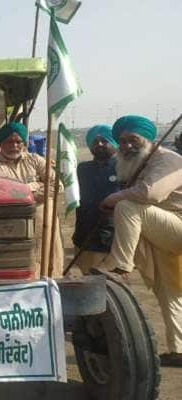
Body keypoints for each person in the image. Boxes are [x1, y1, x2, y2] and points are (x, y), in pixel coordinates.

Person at [98, 115, 182, 367]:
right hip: (158, 234)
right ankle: (178, 350)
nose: (126, 146)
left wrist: (111, 200)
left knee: (126, 205)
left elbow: (150, 194)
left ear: (148, 139)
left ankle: (121, 266)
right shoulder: (133, 164)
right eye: (121, 141)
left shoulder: (168, 159)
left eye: (132, 139)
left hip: (176, 226)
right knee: (169, 293)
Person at [0, 121, 64, 277]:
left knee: (45, 209)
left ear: (24, 143)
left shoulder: (36, 160)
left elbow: (57, 186)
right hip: (11, 215)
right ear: (0, 144)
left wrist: (26, 192)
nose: (14, 146)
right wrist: (37, 185)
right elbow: (0, 193)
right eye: (9, 142)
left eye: (18, 141)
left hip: (40, 213)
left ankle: (51, 276)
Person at [71, 125, 119, 274]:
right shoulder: (82, 169)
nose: (99, 144)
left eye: (104, 140)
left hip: (112, 239)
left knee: (112, 285)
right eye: (94, 141)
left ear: (114, 142)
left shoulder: (125, 168)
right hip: (84, 236)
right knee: (88, 279)